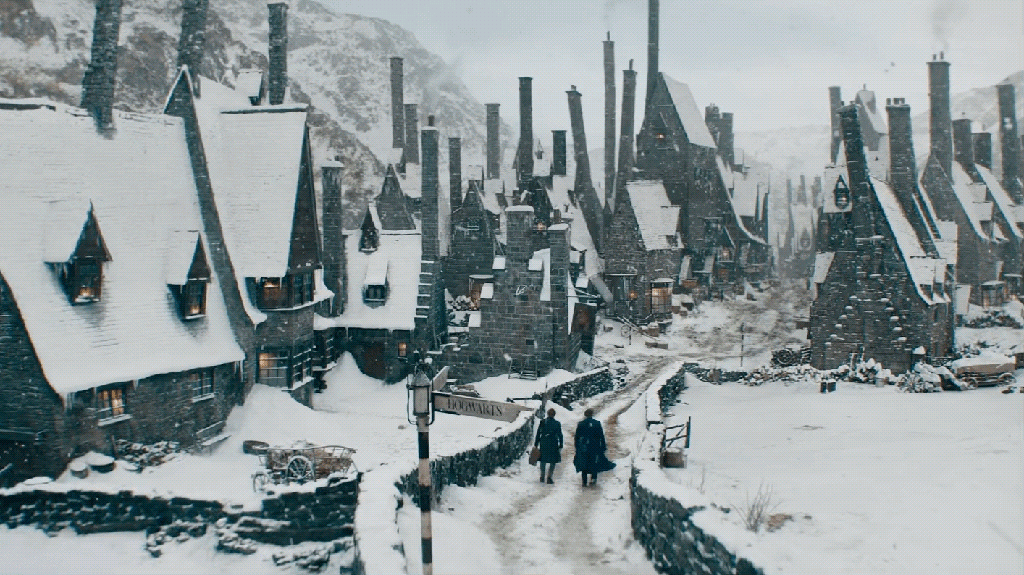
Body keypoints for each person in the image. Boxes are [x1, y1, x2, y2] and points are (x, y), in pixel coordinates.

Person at [574, 408, 612, 486]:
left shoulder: (581, 424)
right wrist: (603, 446)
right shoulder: (597, 423)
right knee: (594, 462)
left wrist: (577, 447)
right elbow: (601, 436)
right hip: (594, 446)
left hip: (584, 447)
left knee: (584, 463)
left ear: (585, 415)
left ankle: (584, 481)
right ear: (592, 414)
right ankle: (593, 479)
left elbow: (577, 437)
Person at [534, 408, 563, 484]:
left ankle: (542, 476)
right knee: (552, 461)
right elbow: (560, 435)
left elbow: (538, 433)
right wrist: (561, 444)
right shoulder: (557, 423)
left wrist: (536, 444)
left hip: (544, 442)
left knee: (543, 460)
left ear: (547, 414)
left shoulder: (543, 422)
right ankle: (549, 477)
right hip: (553, 443)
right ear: (554, 415)